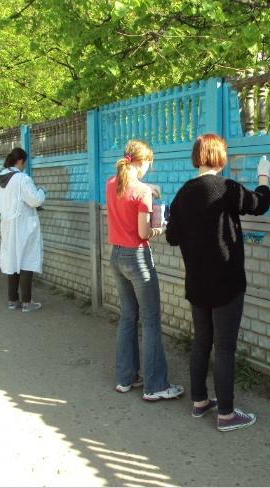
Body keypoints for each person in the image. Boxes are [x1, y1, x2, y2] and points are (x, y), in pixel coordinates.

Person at [165, 133, 270, 431]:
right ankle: (226, 414)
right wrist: (263, 175)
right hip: (227, 283)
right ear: (220, 157)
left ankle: (200, 401)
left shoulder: (183, 194)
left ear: (197, 157)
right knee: (224, 348)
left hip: (197, 284)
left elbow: (172, 237)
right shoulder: (226, 188)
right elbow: (260, 204)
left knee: (202, 342)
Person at [106, 139, 184, 401]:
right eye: (150, 162)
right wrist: (160, 228)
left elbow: (127, 189)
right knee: (150, 320)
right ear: (143, 162)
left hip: (116, 255)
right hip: (138, 258)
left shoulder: (112, 184)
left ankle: (126, 378)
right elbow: (143, 232)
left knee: (128, 317)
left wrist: (148, 188)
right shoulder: (142, 192)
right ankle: (156, 385)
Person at [0, 147, 45, 313]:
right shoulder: (22, 178)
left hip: (8, 226)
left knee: (12, 261)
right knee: (27, 261)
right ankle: (27, 302)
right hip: (24, 226)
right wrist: (41, 192)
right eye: (26, 162)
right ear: (21, 161)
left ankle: (12, 300)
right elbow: (35, 200)